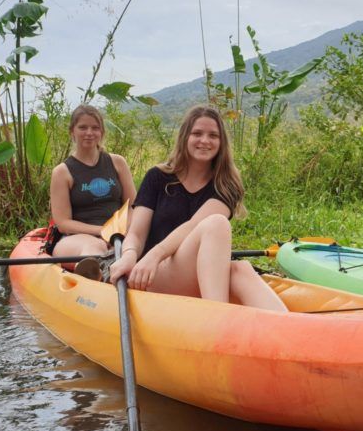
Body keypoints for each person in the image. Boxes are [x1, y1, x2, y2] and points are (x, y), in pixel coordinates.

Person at [108, 105, 287, 312]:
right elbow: (136, 234)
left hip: (194, 271)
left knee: (240, 268)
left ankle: (292, 332)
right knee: (217, 225)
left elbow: (193, 225)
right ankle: (217, 317)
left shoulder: (226, 185)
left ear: (221, 143)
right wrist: (130, 255)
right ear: (185, 137)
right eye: (197, 133)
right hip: (153, 274)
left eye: (213, 135)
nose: (205, 141)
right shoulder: (157, 177)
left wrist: (155, 254)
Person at [47, 105, 136, 280]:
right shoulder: (62, 172)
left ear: (102, 132)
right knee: (95, 249)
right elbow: (63, 222)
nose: (89, 132)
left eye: (95, 128)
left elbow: (134, 205)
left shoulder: (117, 162)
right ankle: (93, 274)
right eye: (83, 127)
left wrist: (123, 231)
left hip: (119, 233)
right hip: (78, 238)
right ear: (72, 131)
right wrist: (102, 231)